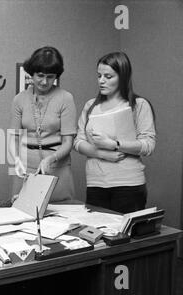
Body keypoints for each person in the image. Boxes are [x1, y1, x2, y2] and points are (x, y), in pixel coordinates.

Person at [73, 52, 156, 213]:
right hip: (95, 184)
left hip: (128, 185)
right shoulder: (90, 105)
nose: (101, 81)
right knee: (96, 235)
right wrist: (101, 153)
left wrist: (115, 145)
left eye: (108, 76)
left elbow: (149, 145)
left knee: (125, 237)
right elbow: (78, 142)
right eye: (99, 76)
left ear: (122, 77)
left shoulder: (139, 105)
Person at [10, 46, 77, 202]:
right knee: (23, 212)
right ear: (31, 74)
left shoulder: (66, 98)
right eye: (40, 75)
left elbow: (68, 142)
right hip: (25, 167)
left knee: (60, 216)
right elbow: (13, 137)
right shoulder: (19, 99)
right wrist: (16, 160)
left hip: (56, 166)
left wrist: (50, 159)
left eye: (50, 77)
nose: (44, 81)